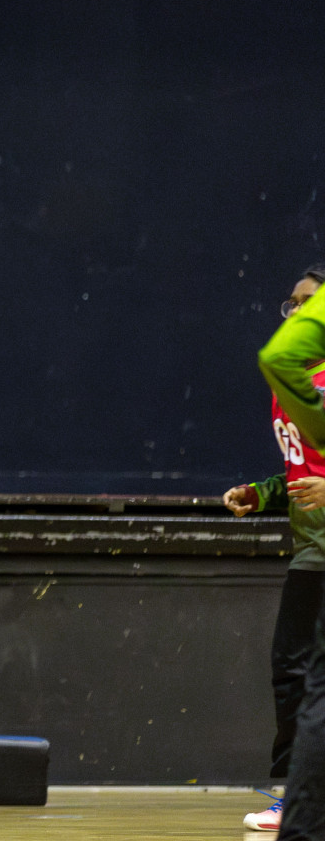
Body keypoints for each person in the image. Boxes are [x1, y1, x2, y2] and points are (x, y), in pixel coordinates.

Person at [225, 266, 325, 832]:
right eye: (291, 304)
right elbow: (300, 472)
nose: (295, 314)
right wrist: (259, 494)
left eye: (308, 304)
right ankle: (296, 794)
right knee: (292, 672)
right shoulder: (288, 390)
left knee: (297, 672)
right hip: (312, 550)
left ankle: (300, 798)